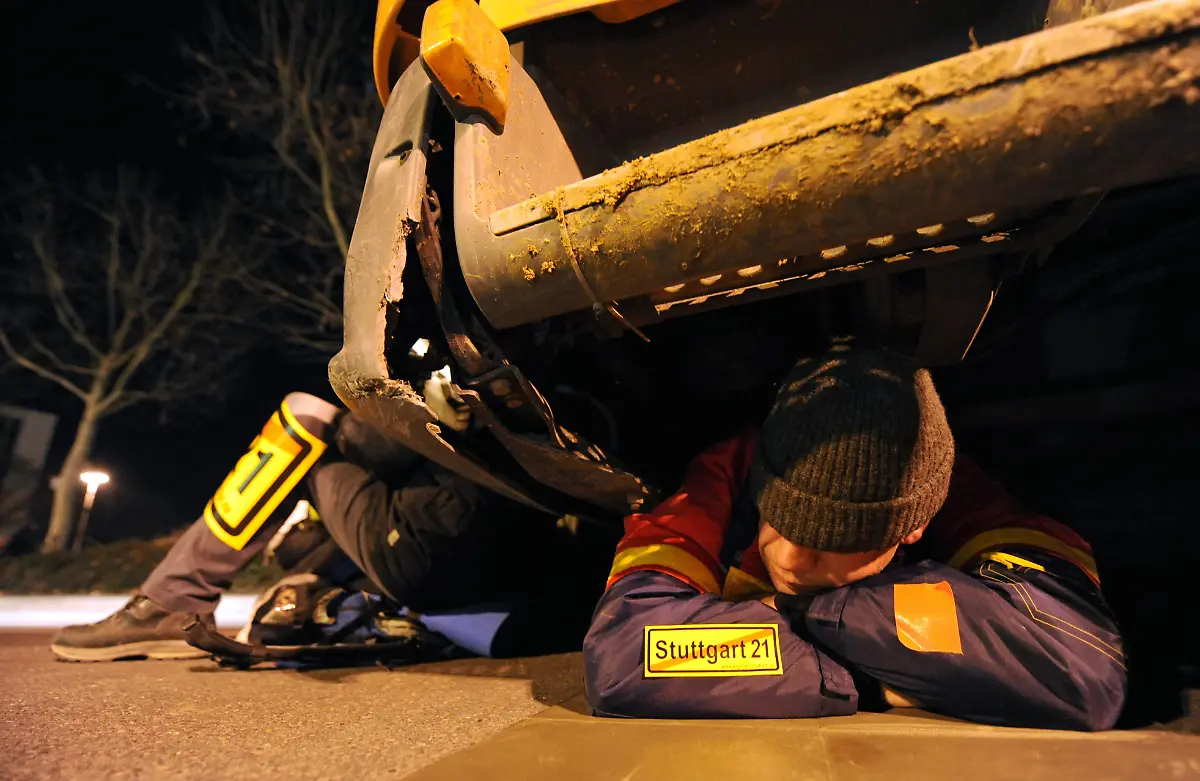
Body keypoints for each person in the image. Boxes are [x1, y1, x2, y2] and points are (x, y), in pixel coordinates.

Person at [583, 339, 1128, 730]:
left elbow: (1076, 669)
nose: (793, 557)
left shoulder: (943, 491)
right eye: (782, 520)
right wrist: (895, 673)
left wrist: (794, 629)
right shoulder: (727, 472)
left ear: (913, 528)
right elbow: (623, 656)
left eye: (836, 541)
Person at [51, 383, 613, 662]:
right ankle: (178, 594)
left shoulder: (469, 364)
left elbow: (378, 447)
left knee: (306, 415)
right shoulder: (586, 386)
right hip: (518, 569)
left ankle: (174, 595)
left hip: (429, 555)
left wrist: (372, 414)